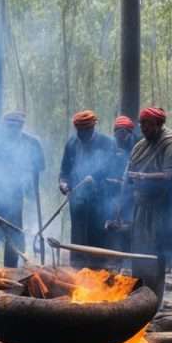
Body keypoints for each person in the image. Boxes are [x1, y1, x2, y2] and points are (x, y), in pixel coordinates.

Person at [125, 107, 172, 307]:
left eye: (147, 124)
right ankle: (137, 299)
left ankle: (153, 302)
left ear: (159, 124)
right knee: (137, 251)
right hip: (140, 206)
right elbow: (129, 174)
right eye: (141, 124)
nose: (143, 128)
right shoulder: (140, 146)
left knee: (154, 253)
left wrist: (142, 176)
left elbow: (169, 176)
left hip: (161, 208)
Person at [0, 111, 44, 267]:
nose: (13, 130)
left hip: (15, 198)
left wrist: (30, 189)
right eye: (9, 127)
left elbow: (38, 168)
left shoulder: (31, 143)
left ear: (21, 127)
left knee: (13, 237)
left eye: (16, 127)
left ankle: (11, 275)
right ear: (3, 126)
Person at [58, 110, 115, 268]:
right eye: (79, 131)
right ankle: (77, 271)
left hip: (99, 198)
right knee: (77, 234)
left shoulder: (107, 143)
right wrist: (63, 184)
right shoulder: (71, 143)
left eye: (85, 131)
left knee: (97, 234)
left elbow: (111, 168)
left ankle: (97, 270)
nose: (82, 135)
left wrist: (95, 178)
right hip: (77, 198)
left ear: (92, 128)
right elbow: (64, 171)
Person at [104, 116, 137, 255]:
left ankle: (128, 257)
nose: (120, 138)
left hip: (132, 195)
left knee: (129, 226)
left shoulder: (138, 147)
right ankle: (114, 256)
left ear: (130, 134)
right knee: (113, 225)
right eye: (118, 134)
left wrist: (126, 184)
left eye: (124, 135)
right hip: (114, 193)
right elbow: (106, 169)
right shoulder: (111, 147)